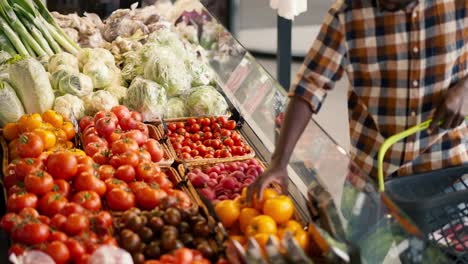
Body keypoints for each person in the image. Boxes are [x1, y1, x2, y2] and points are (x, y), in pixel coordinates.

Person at [248, 0, 468, 201]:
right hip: (372, 176)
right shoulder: (347, 13)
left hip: (445, 171)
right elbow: (309, 86)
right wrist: (279, 161)